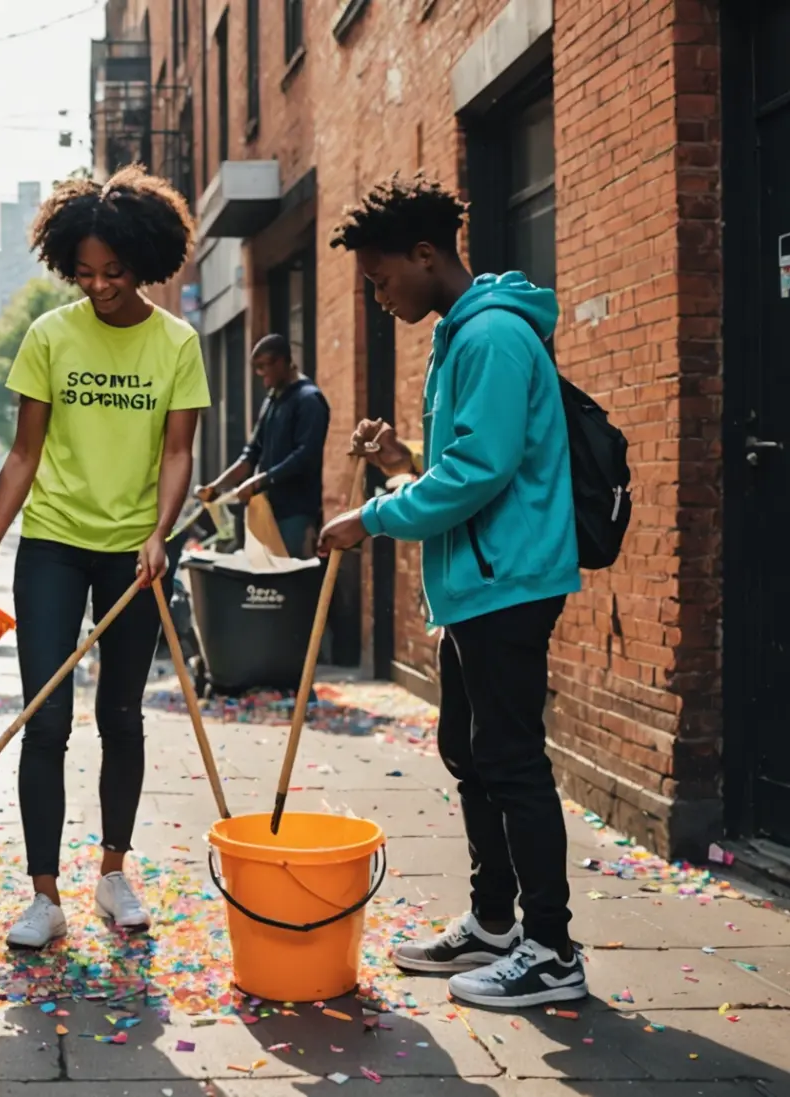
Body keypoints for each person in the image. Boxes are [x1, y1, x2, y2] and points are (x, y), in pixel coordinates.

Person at [320, 174, 582, 1008]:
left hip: (507, 582)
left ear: (425, 255)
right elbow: (467, 465)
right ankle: (495, 921)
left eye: (380, 277)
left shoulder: (492, 337)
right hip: (477, 582)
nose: (378, 294)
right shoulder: (462, 335)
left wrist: (374, 513)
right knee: (471, 755)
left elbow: (482, 470)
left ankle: (551, 948)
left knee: (510, 760)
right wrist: (403, 467)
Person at [0, 164, 208, 948]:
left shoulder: (177, 343)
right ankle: (44, 893)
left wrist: (160, 530)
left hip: (134, 552)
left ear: (147, 262)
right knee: (45, 717)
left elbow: (178, 454)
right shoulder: (48, 336)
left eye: (115, 272)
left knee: (123, 714)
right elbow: (23, 455)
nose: (99, 287)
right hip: (54, 545)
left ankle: (111, 872)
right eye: (85, 272)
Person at [196, 333, 330, 556]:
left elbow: (306, 456)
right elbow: (251, 454)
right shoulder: (272, 399)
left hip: (296, 514)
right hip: (266, 512)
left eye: (262, 366)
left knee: (292, 581)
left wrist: (260, 481)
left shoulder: (309, 399)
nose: (260, 374)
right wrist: (216, 487)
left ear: (281, 361)